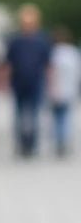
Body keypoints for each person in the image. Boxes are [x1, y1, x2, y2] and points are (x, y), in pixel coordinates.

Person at [1, 3, 52, 157]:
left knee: (34, 115)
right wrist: (2, 82)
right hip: (18, 82)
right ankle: (21, 144)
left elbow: (48, 65)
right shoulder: (15, 40)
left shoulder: (42, 39)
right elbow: (7, 63)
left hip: (36, 82)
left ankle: (32, 144)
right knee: (19, 115)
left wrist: (50, 84)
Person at [48, 27, 81, 156]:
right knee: (66, 117)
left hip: (55, 90)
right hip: (69, 90)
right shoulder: (73, 53)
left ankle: (59, 140)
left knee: (56, 118)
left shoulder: (52, 53)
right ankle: (64, 140)